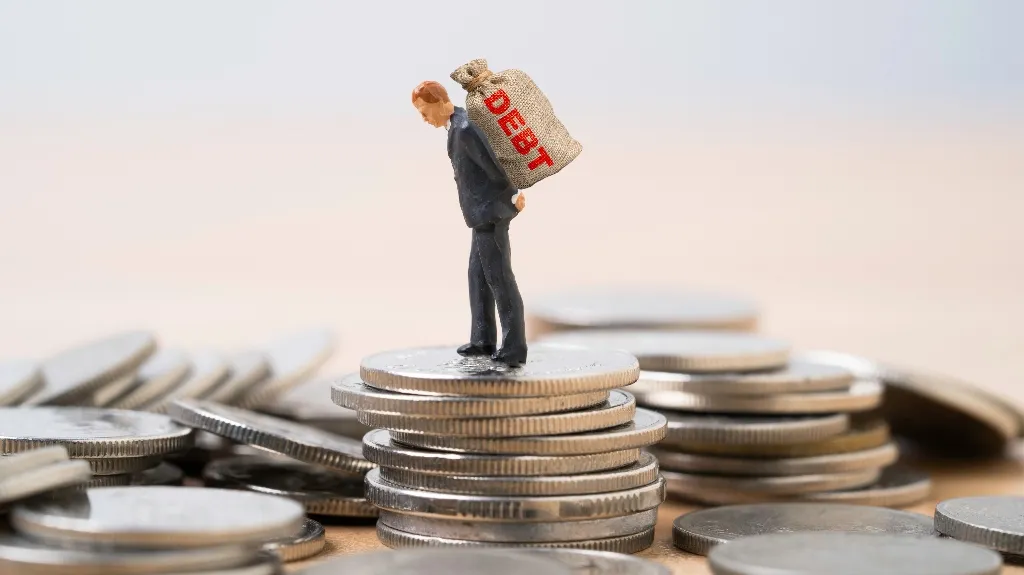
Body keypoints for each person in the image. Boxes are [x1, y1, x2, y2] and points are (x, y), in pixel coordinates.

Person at [412, 80, 528, 366]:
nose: (424, 119)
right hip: (478, 215)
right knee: (477, 277)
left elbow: (494, 165)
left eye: (425, 112)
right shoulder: (454, 128)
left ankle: (514, 348)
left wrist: (513, 195)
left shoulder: (465, 129)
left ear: (439, 102)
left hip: (492, 212)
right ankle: (482, 339)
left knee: (500, 279)